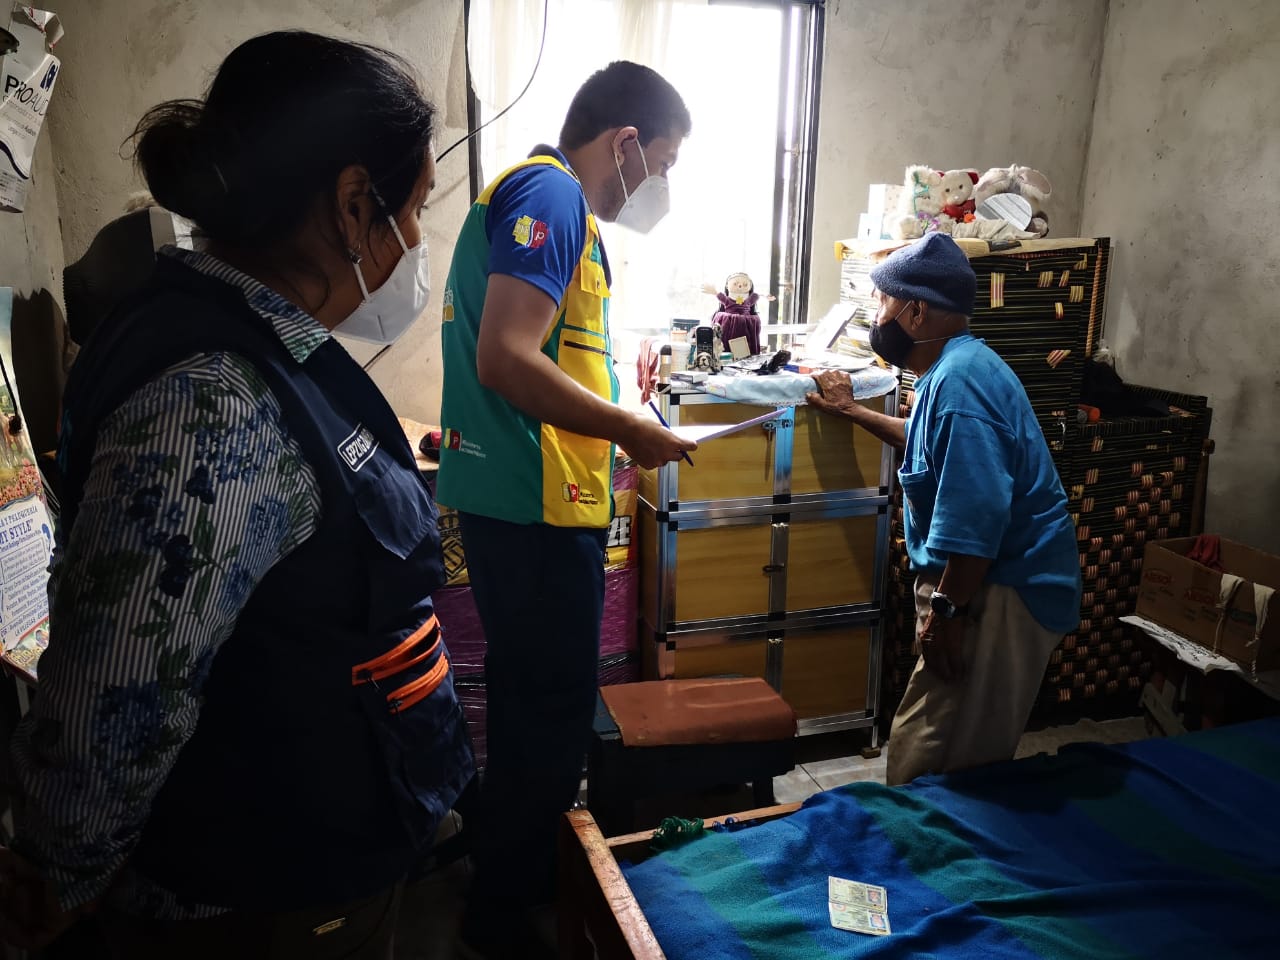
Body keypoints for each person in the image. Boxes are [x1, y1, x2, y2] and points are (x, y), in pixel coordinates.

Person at [0, 32, 472, 958]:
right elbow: (114, 696)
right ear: (352, 206)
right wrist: (55, 881)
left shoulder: (264, 345)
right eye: (413, 211)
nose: (417, 244)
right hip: (260, 898)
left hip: (321, 853)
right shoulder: (212, 404)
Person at [437, 61, 695, 957]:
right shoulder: (551, 197)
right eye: (662, 163)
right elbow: (506, 357)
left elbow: (549, 359)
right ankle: (506, 915)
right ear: (626, 144)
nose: (659, 184)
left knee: (530, 712)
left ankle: (514, 878)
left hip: (533, 504)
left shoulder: (548, 206)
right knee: (548, 720)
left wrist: (624, 409)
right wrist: (630, 429)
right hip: (532, 510)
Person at [806, 232, 1081, 786]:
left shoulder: (961, 385)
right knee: (936, 735)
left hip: (1003, 588)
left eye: (883, 303)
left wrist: (947, 616)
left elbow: (977, 518)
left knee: (945, 755)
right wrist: (853, 411)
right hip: (978, 582)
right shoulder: (955, 368)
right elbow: (926, 439)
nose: (877, 317)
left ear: (916, 312)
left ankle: (933, 836)